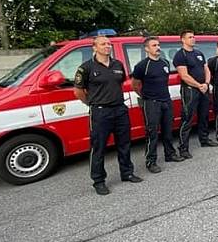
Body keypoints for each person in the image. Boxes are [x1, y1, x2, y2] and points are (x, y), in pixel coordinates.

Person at [73, 35, 143, 195]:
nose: (107, 46)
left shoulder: (117, 64)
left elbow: (119, 83)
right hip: (100, 112)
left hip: (119, 109)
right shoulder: (86, 68)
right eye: (103, 44)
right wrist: (91, 103)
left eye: (109, 44)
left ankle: (127, 173)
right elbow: (78, 92)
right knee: (98, 147)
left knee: (124, 144)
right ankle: (98, 181)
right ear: (94, 47)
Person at [131, 36, 184, 174]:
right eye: (154, 45)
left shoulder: (165, 63)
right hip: (151, 103)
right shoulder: (142, 66)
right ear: (147, 49)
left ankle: (170, 154)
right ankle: (151, 161)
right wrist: (146, 97)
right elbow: (135, 85)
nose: (158, 47)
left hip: (166, 101)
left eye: (158, 45)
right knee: (152, 133)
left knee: (168, 130)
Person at [172, 29, 218, 158]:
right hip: (190, 90)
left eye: (193, 37)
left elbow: (206, 69)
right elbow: (184, 75)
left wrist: (206, 83)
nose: (193, 39)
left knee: (204, 116)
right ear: (183, 39)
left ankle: (204, 139)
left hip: (203, 88)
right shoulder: (180, 55)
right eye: (190, 37)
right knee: (187, 119)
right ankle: (183, 148)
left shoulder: (199, 53)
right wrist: (199, 85)